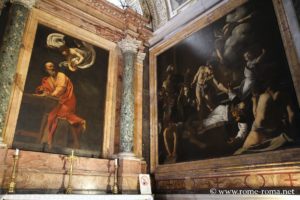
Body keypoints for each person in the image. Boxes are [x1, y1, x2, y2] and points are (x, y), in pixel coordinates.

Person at [35, 62, 86, 148]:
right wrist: (42, 91)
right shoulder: (48, 80)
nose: (52, 68)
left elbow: (61, 88)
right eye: (49, 67)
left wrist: (52, 94)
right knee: (51, 114)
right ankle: (45, 140)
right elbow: (45, 89)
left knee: (57, 115)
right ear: (46, 70)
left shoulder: (61, 75)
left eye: (53, 66)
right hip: (58, 101)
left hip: (68, 100)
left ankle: (74, 139)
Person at [238, 84, 296, 152]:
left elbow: (260, 119)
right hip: (272, 130)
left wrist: (254, 101)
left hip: (255, 139)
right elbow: (291, 114)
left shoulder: (265, 96)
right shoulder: (284, 96)